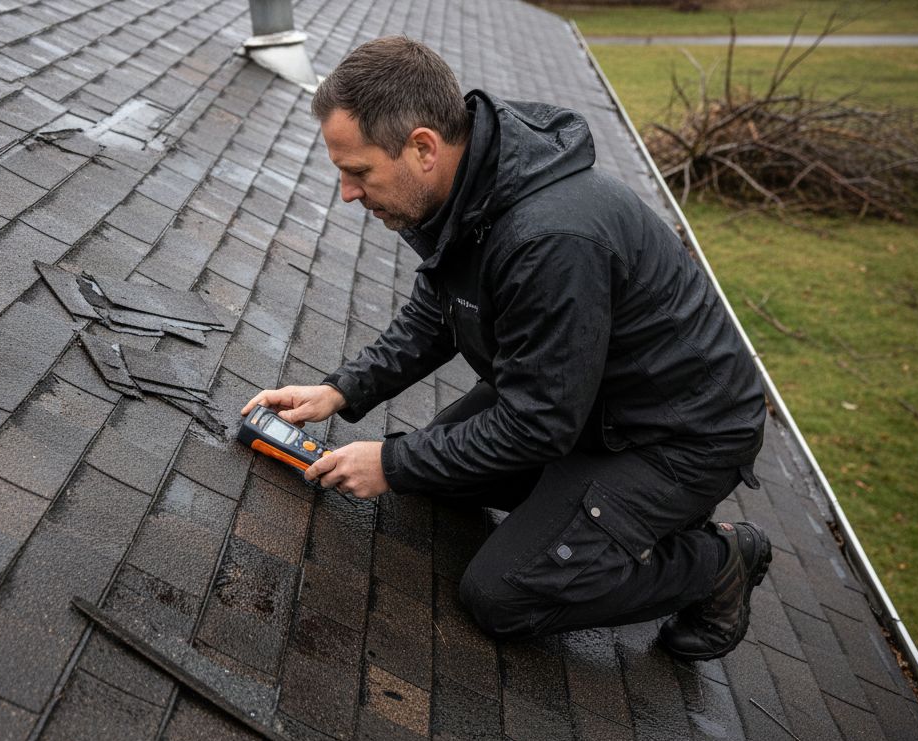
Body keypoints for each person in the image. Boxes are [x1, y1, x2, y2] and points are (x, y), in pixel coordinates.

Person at [241, 36, 771, 660]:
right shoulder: (473, 188)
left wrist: (390, 461)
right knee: (439, 477)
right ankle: (592, 514)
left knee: (503, 596)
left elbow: (539, 422)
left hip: (674, 437)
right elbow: (437, 315)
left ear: (422, 147)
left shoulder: (550, 237)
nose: (348, 194)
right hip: (581, 397)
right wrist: (341, 389)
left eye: (358, 172)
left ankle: (718, 560)